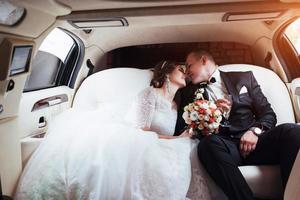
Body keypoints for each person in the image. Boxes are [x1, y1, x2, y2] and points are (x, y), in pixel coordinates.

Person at [15, 61, 214, 200]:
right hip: (138, 139)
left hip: (158, 142)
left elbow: (169, 135)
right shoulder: (148, 94)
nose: (185, 73)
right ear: (167, 73)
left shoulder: (175, 105)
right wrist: (172, 140)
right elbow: (141, 130)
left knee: (187, 146)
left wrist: (179, 137)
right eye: (180, 69)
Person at [174, 49, 300, 200]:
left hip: (257, 144)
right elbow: (182, 129)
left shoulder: (244, 77)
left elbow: (268, 114)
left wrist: (255, 131)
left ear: (203, 60)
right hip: (225, 148)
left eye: (189, 65)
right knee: (207, 145)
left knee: (292, 131)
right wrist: (212, 113)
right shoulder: (187, 93)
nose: (187, 72)